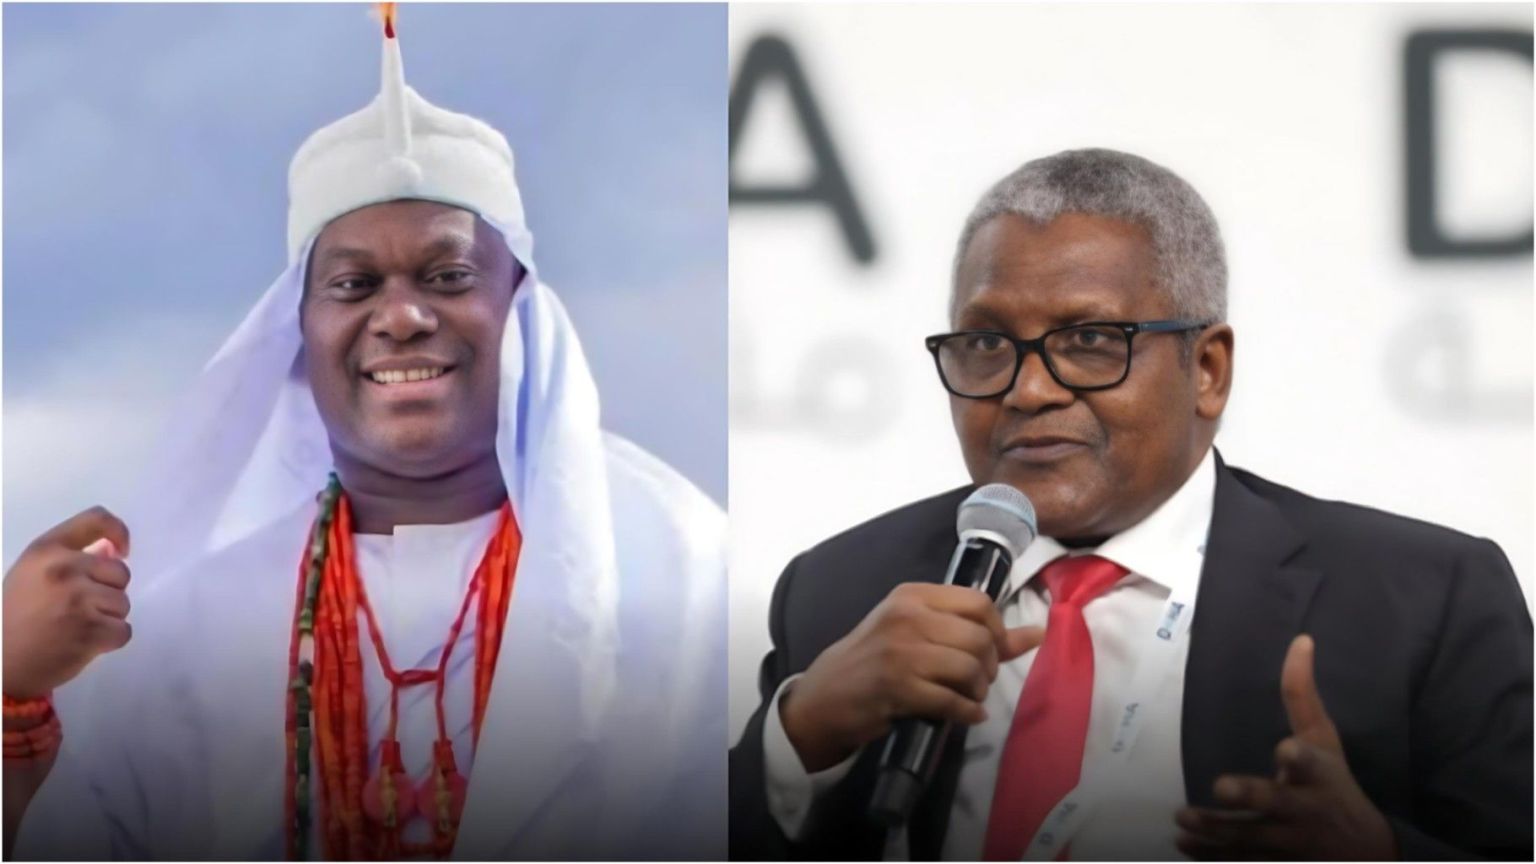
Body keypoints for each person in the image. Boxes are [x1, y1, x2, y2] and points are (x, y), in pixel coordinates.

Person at [3, 9, 724, 860]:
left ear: (522, 312)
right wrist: (13, 692)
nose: (404, 317)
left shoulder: (679, 565)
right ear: (297, 336)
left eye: (449, 276)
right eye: (353, 285)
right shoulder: (185, 615)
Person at [728, 148, 1532, 861]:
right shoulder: (838, 589)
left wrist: (1381, 855)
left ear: (1208, 369)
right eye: (985, 345)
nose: (1028, 389)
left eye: (1090, 341)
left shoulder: (1425, 601)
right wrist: (797, 736)